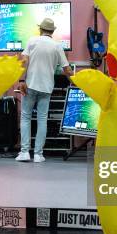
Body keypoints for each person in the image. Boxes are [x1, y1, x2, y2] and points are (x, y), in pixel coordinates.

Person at [16, 18, 73, 163]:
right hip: (47, 87)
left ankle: (24, 152)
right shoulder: (57, 46)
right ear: (52, 31)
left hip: (30, 85)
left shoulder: (32, 41)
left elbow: (23, 62)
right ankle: (38, 155)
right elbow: (67, 70)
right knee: (42, 120)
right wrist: (78, 80)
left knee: (25, 117)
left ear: (40, 29)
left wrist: (21, 81)